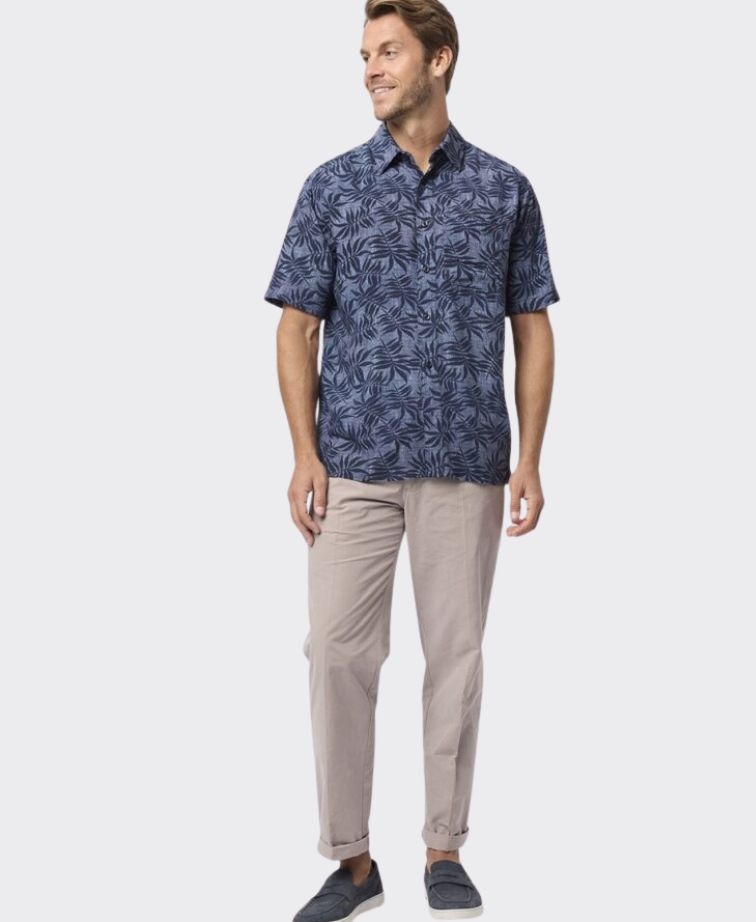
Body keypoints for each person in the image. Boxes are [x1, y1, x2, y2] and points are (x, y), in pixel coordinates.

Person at [264, 1, 560, 918]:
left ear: (440, 59)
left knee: (455, 660)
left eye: (388, 51)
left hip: (467, 461)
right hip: (352, 461)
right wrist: (303, 453)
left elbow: (533, 329)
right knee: (334, 653)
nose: (370, 69)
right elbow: (296, 327)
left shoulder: (505, 190)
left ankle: (443, 848)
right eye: (364, 54)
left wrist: (531, 458)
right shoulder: (333, 186)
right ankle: (353, 863)